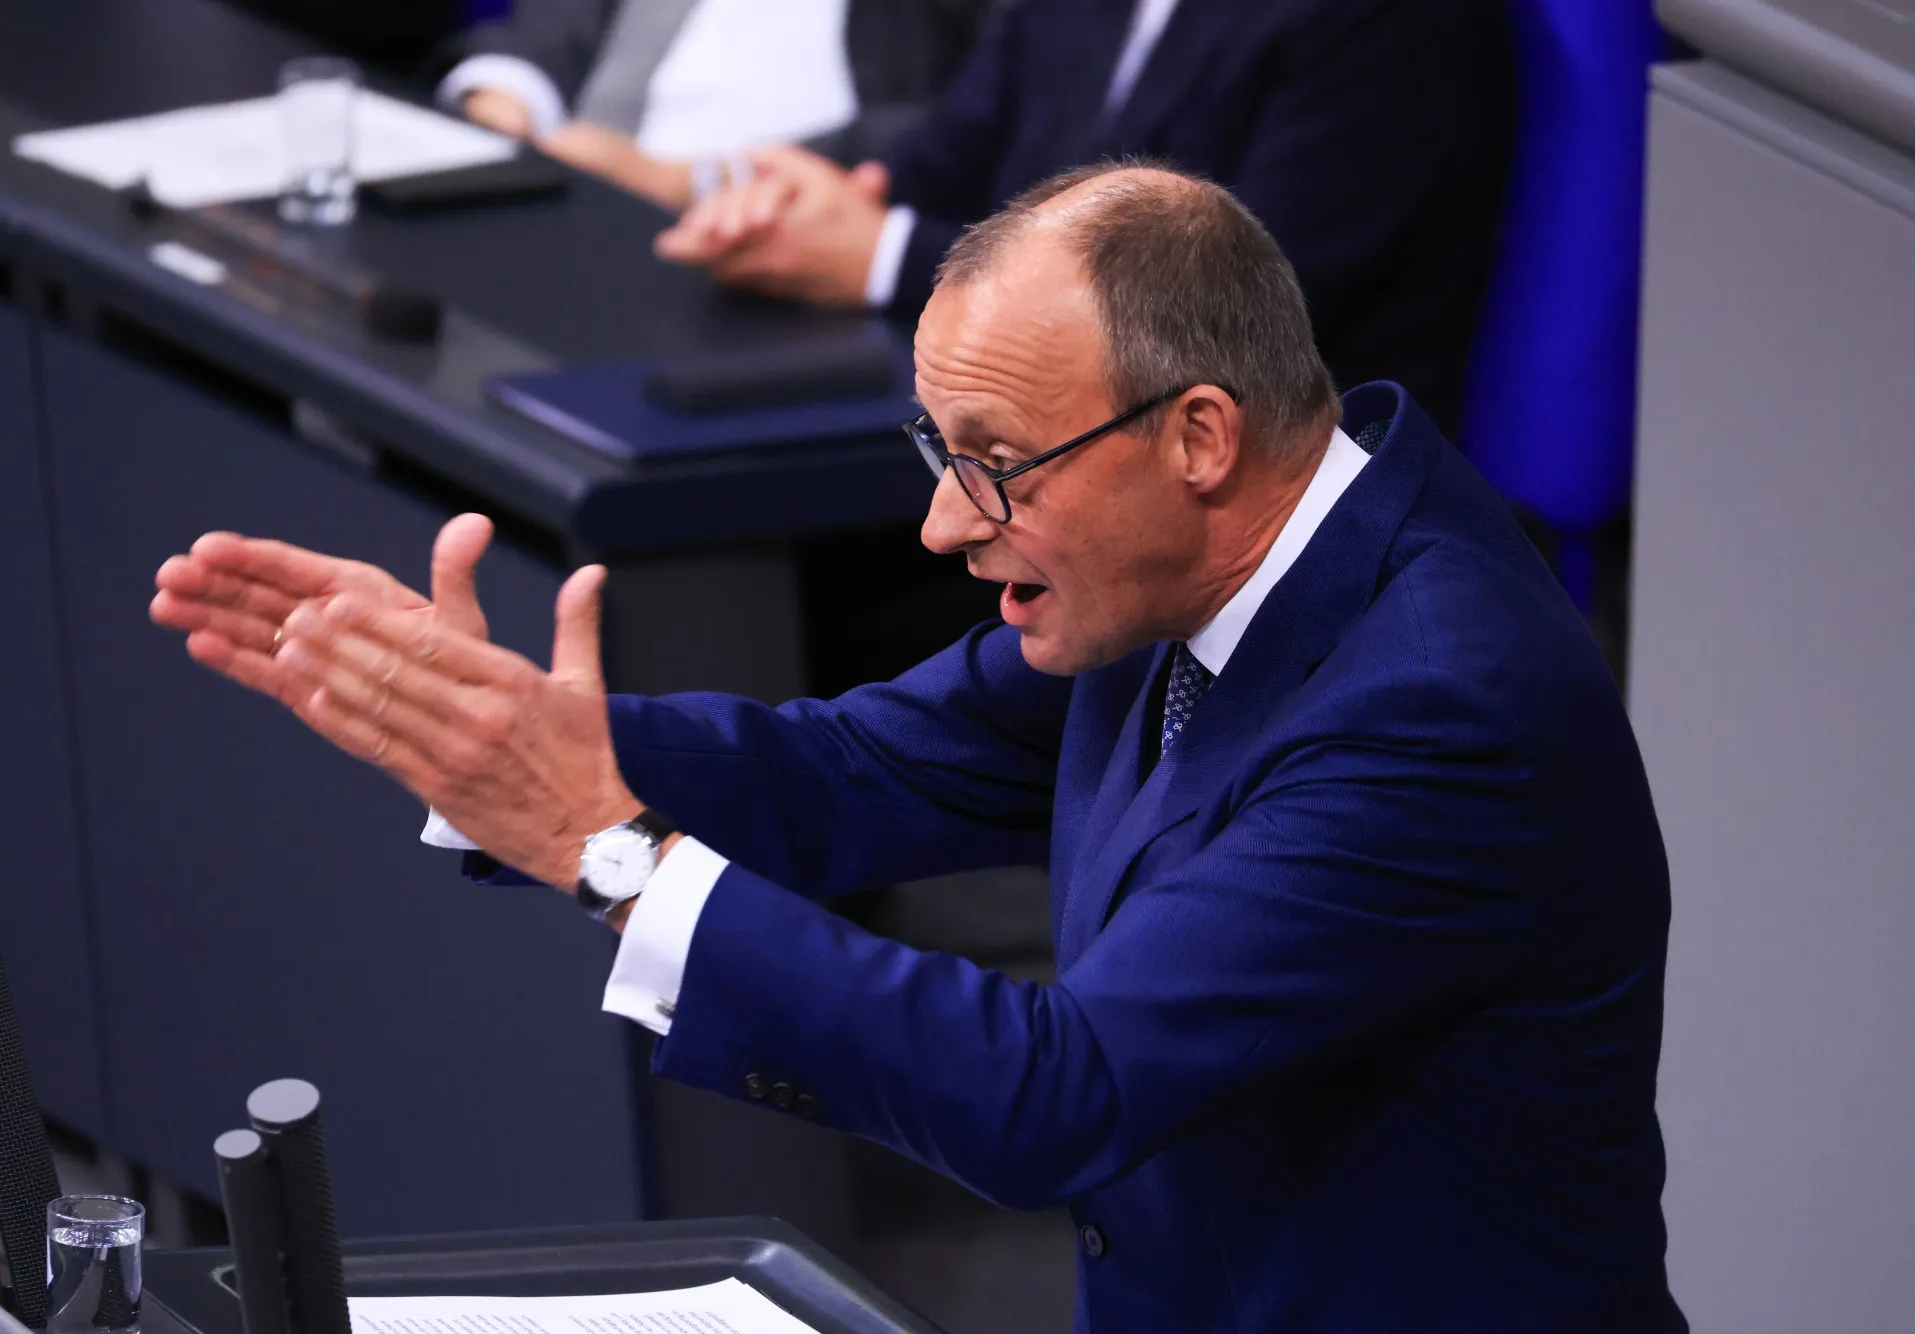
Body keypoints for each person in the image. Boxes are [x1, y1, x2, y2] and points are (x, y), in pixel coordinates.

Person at [151, 165, 1683, 1332]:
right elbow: (863, 769)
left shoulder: (1438, 710)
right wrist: (507, 743)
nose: (948, 522)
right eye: (940, 454)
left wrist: (604, 847)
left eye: (996, 467)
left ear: (1199, 436)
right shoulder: (1187, 572)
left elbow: (1057, 1091)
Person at [655, 0, 1515, 435]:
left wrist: (880, 253)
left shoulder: (1391, 18)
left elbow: (1236, 308)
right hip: (1039, 445)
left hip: (1250, 491)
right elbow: (948, 153)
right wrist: (809, 207)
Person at [434, 0, 985, 210]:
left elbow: (965, 126)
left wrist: (692, 183)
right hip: (547, 197)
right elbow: (545, 29)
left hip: (752, 250)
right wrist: (505, 97)